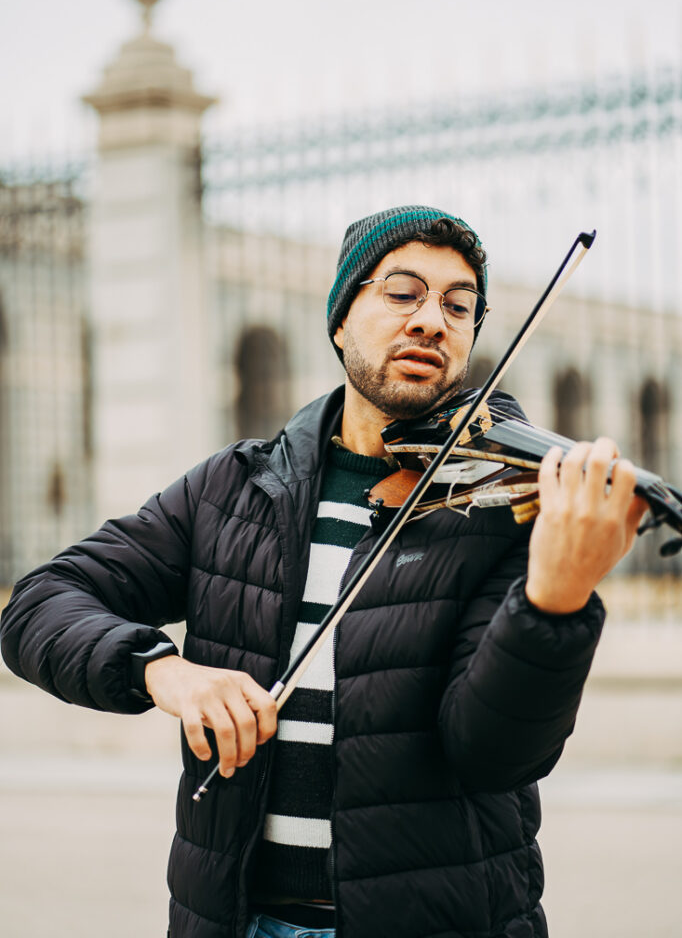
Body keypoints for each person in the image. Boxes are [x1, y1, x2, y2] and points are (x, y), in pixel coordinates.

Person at [0, 205, 647, 938]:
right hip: (239, 921)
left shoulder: (501, 506)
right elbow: (38, 606)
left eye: (459, 305)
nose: (432, 320)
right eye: (402, 292)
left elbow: (493, 751)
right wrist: (164, 672)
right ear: (341, 318)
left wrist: (554, 603)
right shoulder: (232, 489)